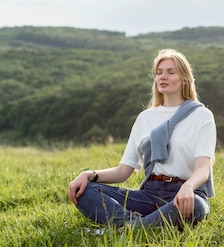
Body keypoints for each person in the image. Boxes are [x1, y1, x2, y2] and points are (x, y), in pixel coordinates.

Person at [68, 48, 216, 229]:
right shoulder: (145, 118)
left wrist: (188, 187)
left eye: (171, 72)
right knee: (86, 191)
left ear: (184, 78)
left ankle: (127, 228)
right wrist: (89, 174)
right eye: (159, 73)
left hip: (186, 193)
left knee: (197, 206)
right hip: (150, 194)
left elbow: (203, 169)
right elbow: (123, 172)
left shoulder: (202, 115)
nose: (163, 77)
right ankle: (141, 226)